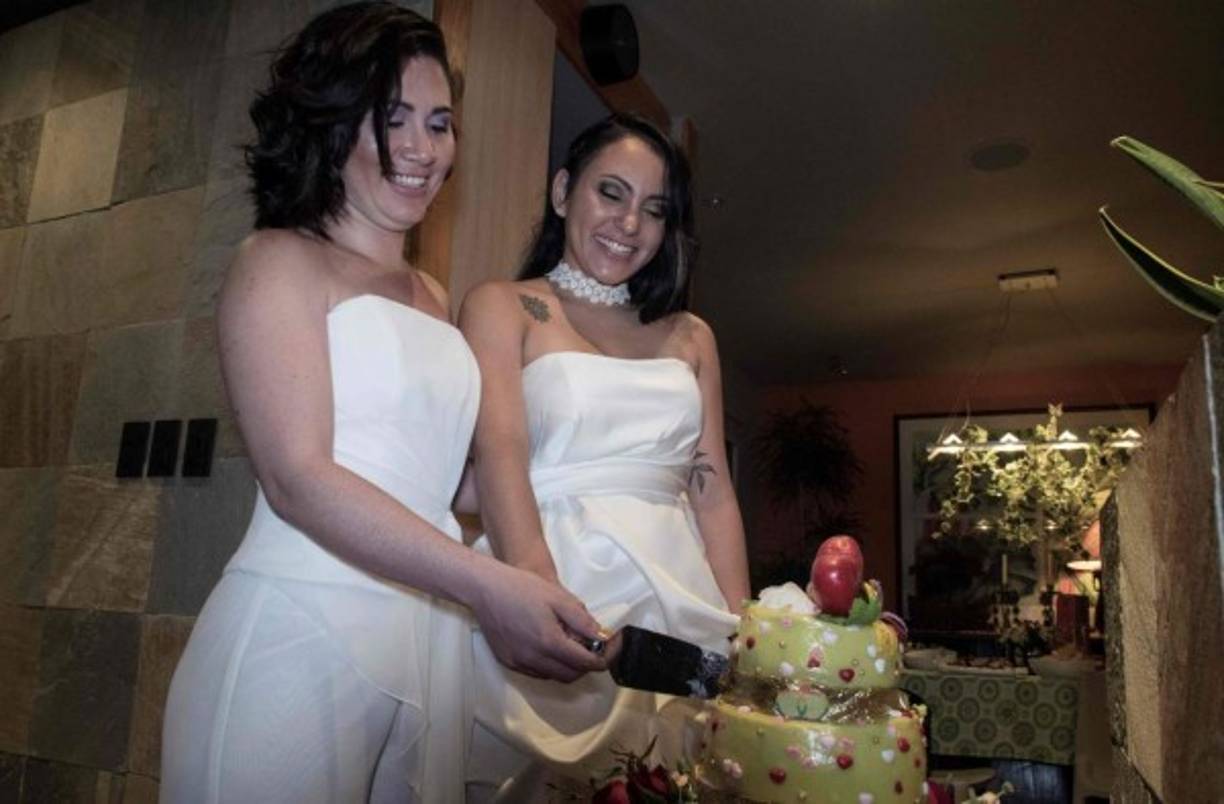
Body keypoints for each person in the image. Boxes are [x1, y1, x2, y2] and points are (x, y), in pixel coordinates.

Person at [159, 5, 605, 802]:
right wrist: (483, 582)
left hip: (418, 644)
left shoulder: (434, 296)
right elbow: (299, 476)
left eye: (439, 123)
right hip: (299, 635)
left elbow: (449, 486)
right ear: (331, 122)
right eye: (391, 117)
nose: (422, 149)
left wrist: (592, 494)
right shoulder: (277, 261)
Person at [460, 113, 751, 795]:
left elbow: (711, 489)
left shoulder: (691, 335)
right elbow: (499, 456)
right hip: (553, 582)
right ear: (564, 192)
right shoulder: (503, 306)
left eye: (654, 209)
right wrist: (542, 598)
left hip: (683, 599)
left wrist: (744, 633)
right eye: (611, 193)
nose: (629, 224)